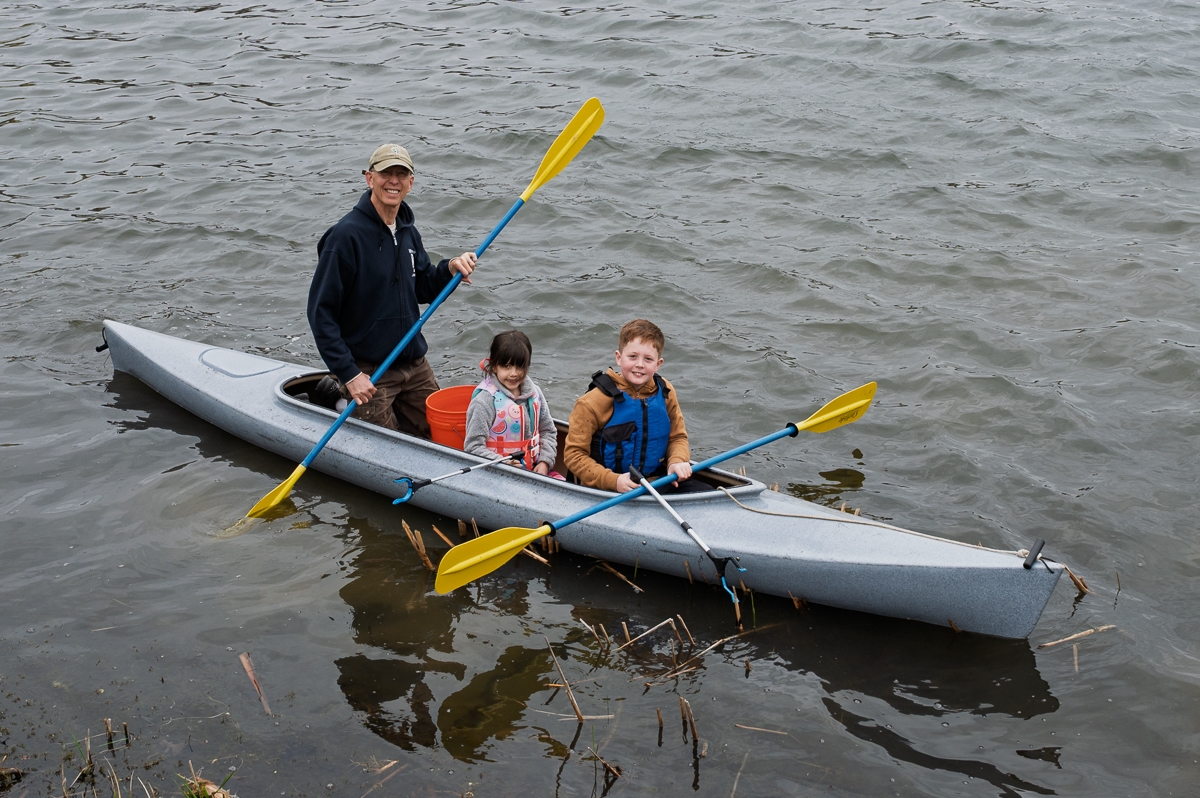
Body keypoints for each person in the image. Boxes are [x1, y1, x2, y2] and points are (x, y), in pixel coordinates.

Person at [307, 142, 478, 436]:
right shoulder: (345, 237)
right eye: (386, 173)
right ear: (369, 178)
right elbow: (320, 313)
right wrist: (350, 374)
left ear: (411, 183)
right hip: (369, 371)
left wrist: (450, 269)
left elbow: (423, 288)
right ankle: (338, 396)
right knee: (390, 448)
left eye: (402, 174)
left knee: (445, 436)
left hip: (413, 363)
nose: (394, 181)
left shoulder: (408, 232)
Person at [563, 319, 707, 493]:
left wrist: (677, 460)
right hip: (608, 488)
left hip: (656, 481)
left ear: (658, 364)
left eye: (648, 359)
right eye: (633, 357)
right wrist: (613, 481)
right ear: (618, 357)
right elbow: (574, 455)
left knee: (713, 496)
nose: (639, 364)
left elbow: (677, 437)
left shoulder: (666, 391)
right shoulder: (591, 402)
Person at [463, 331, 562, 478]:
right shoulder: (484, 401)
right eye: (507, 366)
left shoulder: (536, 393)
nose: (514, 373)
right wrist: (502, 463)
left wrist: (545, 462)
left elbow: (549, 431)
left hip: (535, 469)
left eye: (520, 367)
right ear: (494, 366)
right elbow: (472, 447)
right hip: (497, 474)